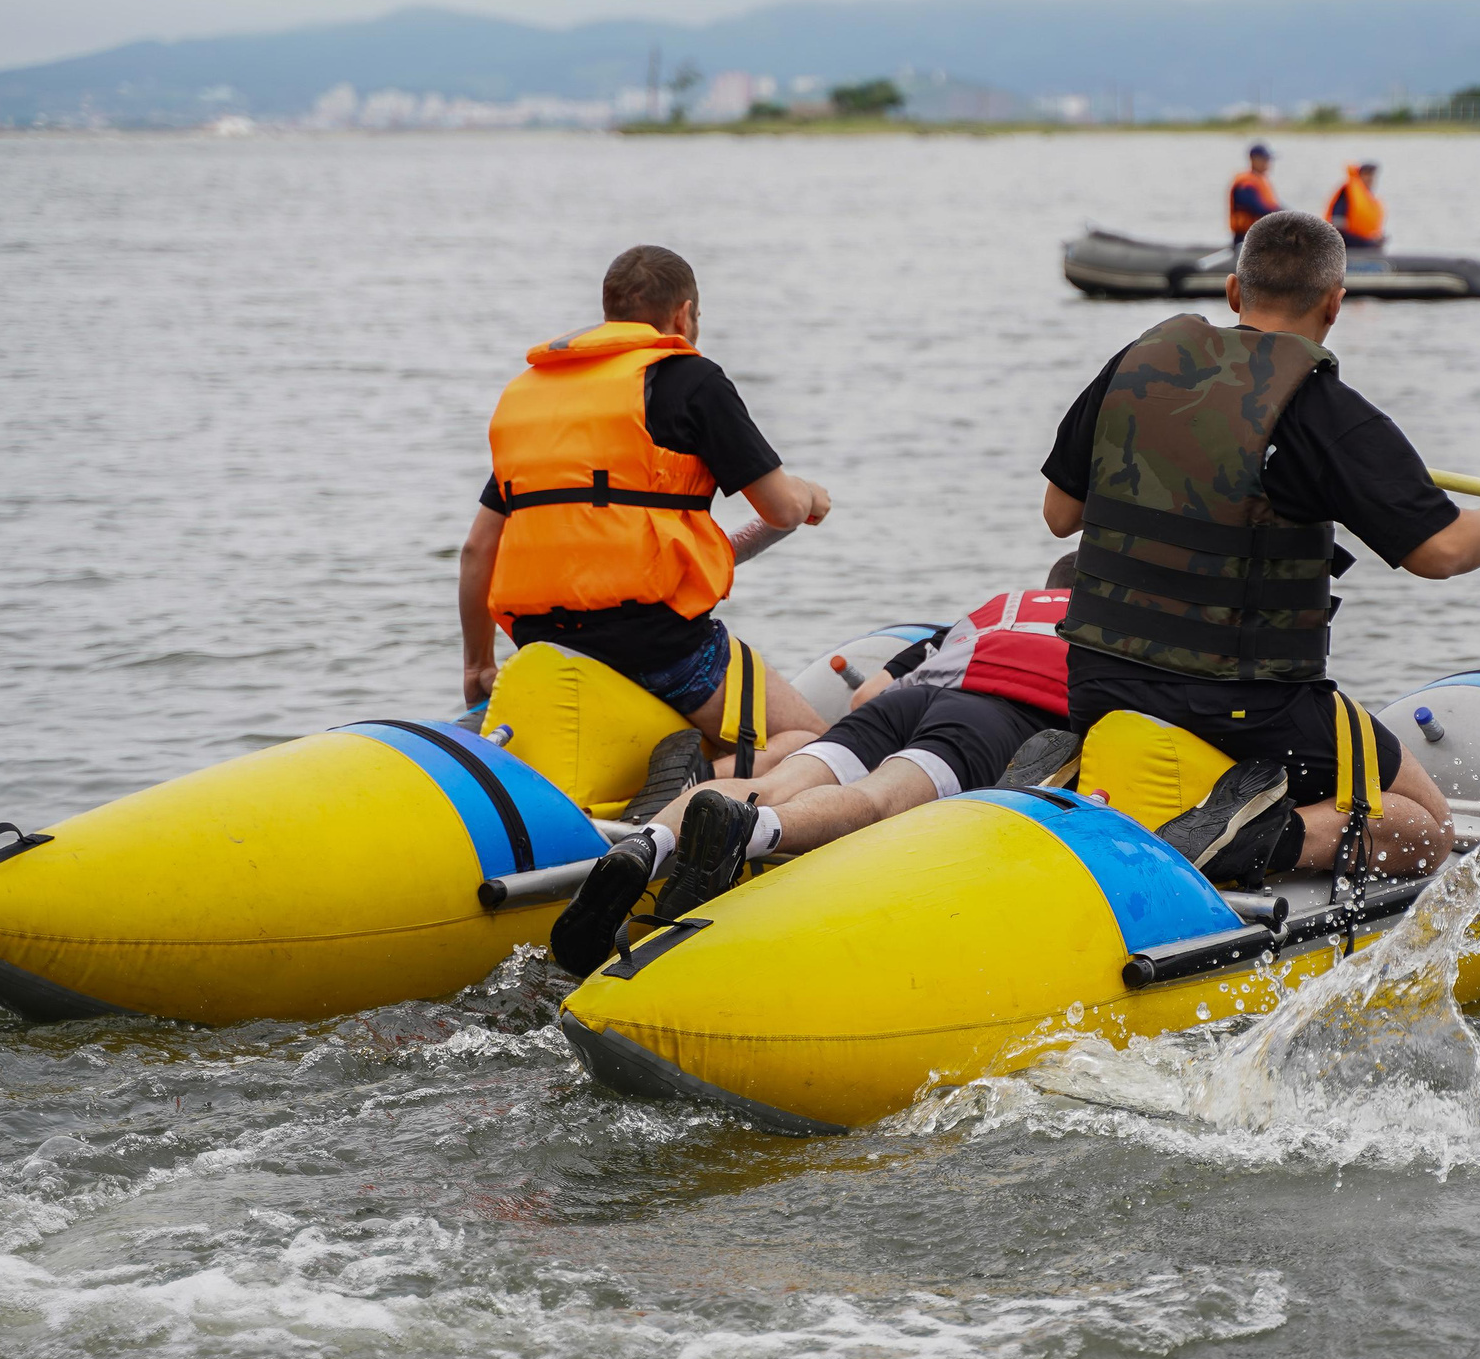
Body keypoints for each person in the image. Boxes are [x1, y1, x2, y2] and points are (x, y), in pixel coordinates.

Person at [1039, 209, 1480, 885]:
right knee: (1425, 826)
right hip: (1249, 708)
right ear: (1335, 303)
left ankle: (1087, 773)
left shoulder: (1136, 365)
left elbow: (1060, 514)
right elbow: (1443, 551)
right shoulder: (1326, 412)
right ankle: (1264, 835)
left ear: (1234, 292)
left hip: (1097, 683)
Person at [547, 561, 1084, 973]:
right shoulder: (1108, 633)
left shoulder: (997, 609)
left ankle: (645, 845)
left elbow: (868, 693)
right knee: (879, 799)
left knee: (773, 781)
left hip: (909, 701)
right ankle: (751, 831)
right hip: (996, 716)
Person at [457, 243, 834, 786]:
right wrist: (811, 496)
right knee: (820, 749)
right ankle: (694, 783)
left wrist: (478, 666)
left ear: (609, 312)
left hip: (541, 642)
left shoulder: (533, 401)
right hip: (660, 645)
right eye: (696, 319)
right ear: (682, 315)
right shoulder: (692, 380)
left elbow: (477, 551)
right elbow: (780, 506)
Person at [1324, 160, 1385, 248]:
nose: (1370, 178)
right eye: (1366, 174)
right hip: (1348, 249)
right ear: (1359, 175)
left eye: (1372, 175)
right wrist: (1365, 243)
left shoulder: (1370, 200)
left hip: (1365, 250)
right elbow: (1336, 227)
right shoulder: (1347, 193)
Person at [1228, 143, 1283, 241]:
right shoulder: (1245, 184)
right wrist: (1281, 215)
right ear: (1253, 159)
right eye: (1265, 159)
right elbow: (1256, 207)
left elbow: (1272, 206)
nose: (1268, 163)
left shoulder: (1261, 180)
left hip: (1260, 236)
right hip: (1245, 237)